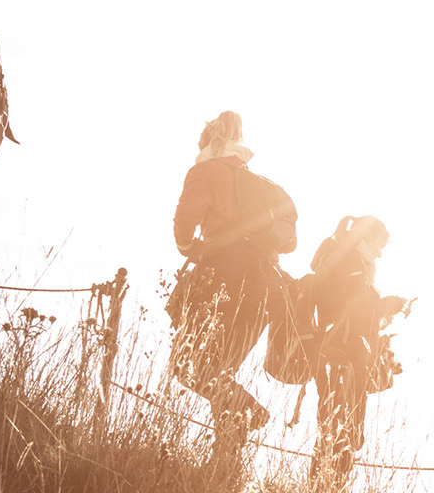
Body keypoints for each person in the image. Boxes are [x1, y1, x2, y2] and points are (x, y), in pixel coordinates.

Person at [167, 110, 297, 475]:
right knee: (221, 370)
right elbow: (291, 242)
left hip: (220, 279)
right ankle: (224, 466)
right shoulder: (267, 187)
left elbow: (185, 221)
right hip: (264, 290)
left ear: (209, 142)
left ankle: (248, 414)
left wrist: (188, 248)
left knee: (189, 364)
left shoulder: (204, 172)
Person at [304, 215, 408, 488]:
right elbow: (359, 307)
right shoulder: (350, 261)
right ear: (366, 237)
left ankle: (321, 484)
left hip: (337, 353)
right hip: (343, 356)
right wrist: (392, 304)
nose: (381, 253)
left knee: (335, 427)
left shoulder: (345, 260)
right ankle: (327, 485)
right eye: (379, 244)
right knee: (342, 429)